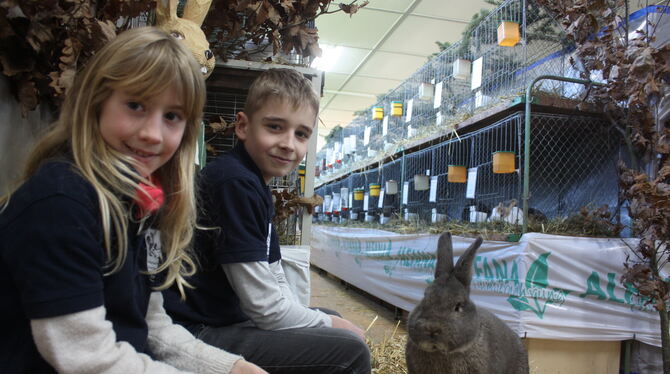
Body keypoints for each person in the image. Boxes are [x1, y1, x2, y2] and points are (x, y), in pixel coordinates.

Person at [0, 27, 266, 374]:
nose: (151, 134)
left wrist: (228, 367)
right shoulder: (63, 202)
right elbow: (87, 358)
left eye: (172, 116)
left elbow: (150, 323)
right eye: (135, 105)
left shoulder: (138, 203)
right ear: (96, 103)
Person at [164, 68, 371, 374]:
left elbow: (275, 280)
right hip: (196, 331)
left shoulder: (254, 183)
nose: (289, 143)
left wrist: (327, 321)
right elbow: (265, 308)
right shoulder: (234, 183)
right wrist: (330, 325)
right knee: (350, 352)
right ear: (243, 126)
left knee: (330, 318)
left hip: (226, 318)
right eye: (275, 127)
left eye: (301, 134)